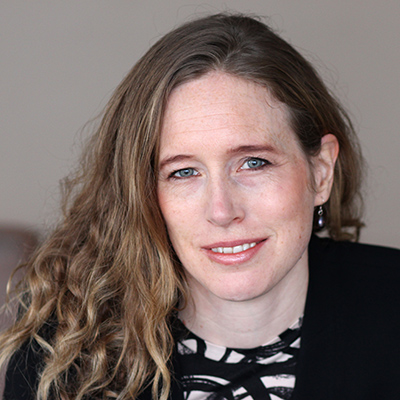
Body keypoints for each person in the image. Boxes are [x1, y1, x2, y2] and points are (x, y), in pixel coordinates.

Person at [1, 12, 400, 400]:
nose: (222, 211)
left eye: (253, 163)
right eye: (184, 172)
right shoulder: (62, 357)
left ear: (321, 172)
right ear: (143, 193)